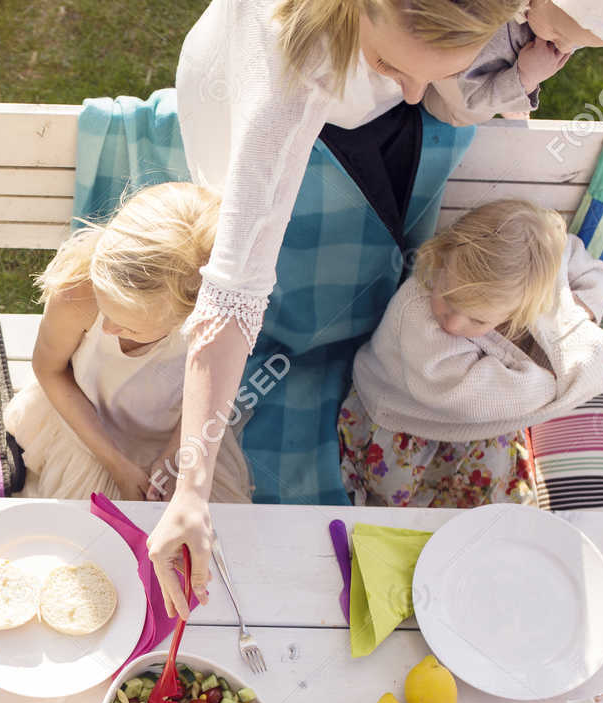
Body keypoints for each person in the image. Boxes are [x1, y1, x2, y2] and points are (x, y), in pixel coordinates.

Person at [148, 0, 522, 615]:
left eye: (435, 71)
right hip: (264, 87)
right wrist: (191, 490)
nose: (412, 94)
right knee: (260, 239)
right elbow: (232, 294)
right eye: (391, 63)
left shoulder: (407, 65)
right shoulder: (286, 94)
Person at [339, 199, 603, 506]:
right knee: (395, 487)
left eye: (479, 319)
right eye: (448, 298)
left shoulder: (542, 259)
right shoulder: (416, 312)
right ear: (442, 256)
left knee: (493, 482)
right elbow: (468, 397)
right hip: (408, 416)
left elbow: (591, 273)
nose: (454, 323)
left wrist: (578, 311)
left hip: (483, 427)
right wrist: (551, 382)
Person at [3, 183, 252, 504]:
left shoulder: (216, 317)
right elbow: (48, 368)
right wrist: (115, 463)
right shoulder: (77, 292)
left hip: (180, 432)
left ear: (185, 316)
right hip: (88, 428)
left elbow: (214, 391)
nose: (106, 328)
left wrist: (174, 458)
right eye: (104, 311)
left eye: (129, 327)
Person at [427, 0, 603, 126]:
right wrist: (525, 77)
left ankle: (511, 96)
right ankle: (510, 94)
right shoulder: (492, 31)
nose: (564, 49)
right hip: (450, 76)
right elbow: (474, 97)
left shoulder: (546, 16)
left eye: (581, 45)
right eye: (560, 35)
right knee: (465, 115)